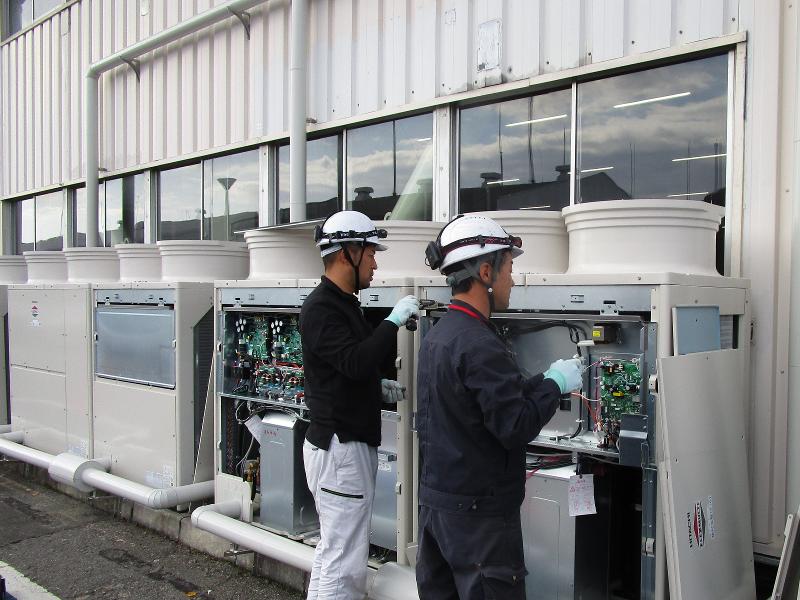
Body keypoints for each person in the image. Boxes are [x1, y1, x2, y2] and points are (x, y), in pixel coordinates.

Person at [415, 214, 583, 600]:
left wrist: (543, 381)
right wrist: (555, 385)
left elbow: (478, 406)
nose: (513, 280)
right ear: (486, 272)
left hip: (438, 511)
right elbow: (515, 425)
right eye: (509, 268)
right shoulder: (479, 343)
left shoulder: (440, 336)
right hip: (480, 524)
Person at [300, 210, 419, 600]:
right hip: (341, 450)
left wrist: (375, 387)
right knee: (345, 563)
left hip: (343, 446)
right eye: (369, 253)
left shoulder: (342, 303)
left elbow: (345, 369)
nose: (375, 263)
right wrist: (393, 321)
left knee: (333, 552)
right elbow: (353, 361)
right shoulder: (322, 307)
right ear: (346, 253)